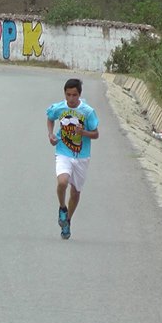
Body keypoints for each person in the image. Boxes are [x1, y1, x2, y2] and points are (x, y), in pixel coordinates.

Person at [46, 78, 100, 240]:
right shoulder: (59, 108)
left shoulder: (88, 112)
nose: (71, 98)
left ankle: (67, 220)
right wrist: (50, 134)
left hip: (82, 156)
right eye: (68, 95)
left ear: (79, 95)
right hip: (63, 152)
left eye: (74, 95)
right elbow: (50, 117)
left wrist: (83, 133)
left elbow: (96, 134)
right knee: (62, 182)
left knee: (75, 192)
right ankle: (62, 208)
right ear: (64, 94)